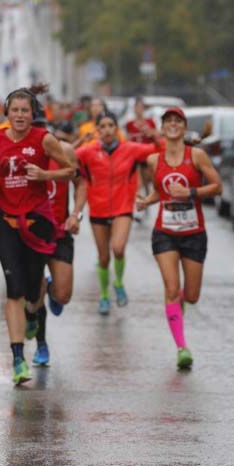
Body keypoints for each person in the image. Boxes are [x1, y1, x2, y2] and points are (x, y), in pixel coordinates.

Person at [0, 84, 77, 385]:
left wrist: (45, 175)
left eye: (25, 111)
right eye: (15, 110)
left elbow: (70, 170)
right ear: (7, 113)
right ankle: (19, 357)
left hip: (38, 221)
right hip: (5, 221)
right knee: (14, 288)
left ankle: (34, 313)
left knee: (33, 291)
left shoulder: (44, 139)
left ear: (33, 114)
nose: (20, 115)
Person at [136, 107, 222, 369]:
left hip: (194, 234)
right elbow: (159, 193)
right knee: (172, 290)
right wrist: (144, 202)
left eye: (177, 121)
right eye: (168, 121)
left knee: (192, 296)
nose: (172, 125)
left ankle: (178, 309)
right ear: (162, 128)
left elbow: (218, 186)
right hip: (165, 233)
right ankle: (182, 347)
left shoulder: (196, 155)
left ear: (184, 128)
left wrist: (190, 193)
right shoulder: (154, 160)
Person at [77, 111, 154, 315]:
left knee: (118, 248)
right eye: (102, 126)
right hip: (98, 210)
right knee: (103, 258)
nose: (107, 130)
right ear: (97, 131)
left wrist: (154, 135)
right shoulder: (88, 151)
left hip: (122, 208)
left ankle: (118, 283)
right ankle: (104, 296)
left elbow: (160, 150)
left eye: (111, 125)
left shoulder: (131, 150)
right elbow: (65, 157)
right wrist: (79, 141)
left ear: (117, 129)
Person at [24, 118, 86, 366]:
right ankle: (42, 345)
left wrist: (76, 214)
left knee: (63, 296)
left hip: (60, 232)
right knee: (33, 295)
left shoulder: (65, 151)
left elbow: (81, 183)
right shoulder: (20, 155)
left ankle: (52, 289)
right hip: (31, 234)